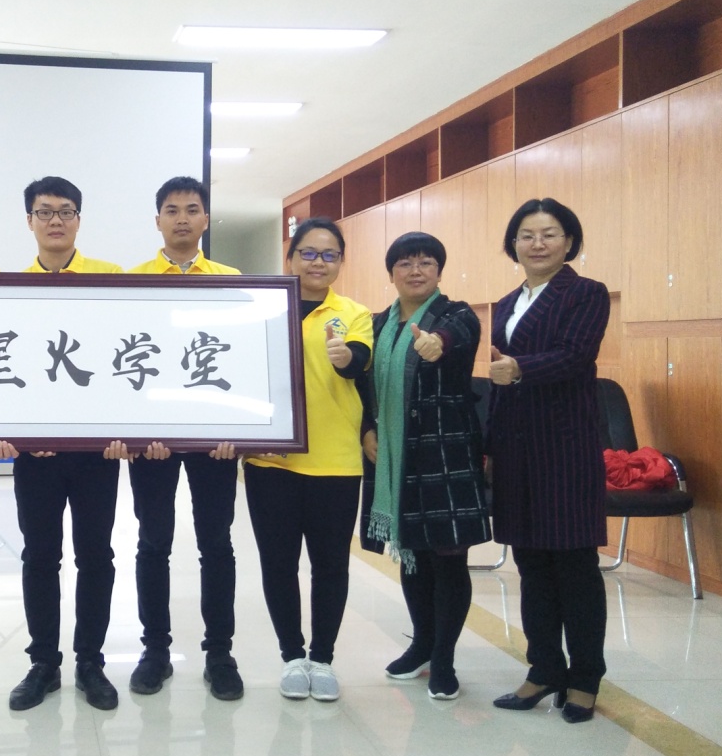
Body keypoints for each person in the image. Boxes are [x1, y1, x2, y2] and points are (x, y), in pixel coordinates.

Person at [0, 176, 126, 711]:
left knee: (96, 555)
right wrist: (14, 432)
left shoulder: (111, 280)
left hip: (97, 453)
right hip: (36, 455)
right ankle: (43, 663)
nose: (55, 221)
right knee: (40, 556)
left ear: (78, 220)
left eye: (65, 211)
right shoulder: (9, 288)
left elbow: (124, 359)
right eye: (44, 212)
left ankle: (90, 662)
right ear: (29, 221)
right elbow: (4, 367)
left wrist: (124, 431)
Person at [487, 198, 610, 724]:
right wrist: (490, 445)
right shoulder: (504, 303)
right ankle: (543, 669)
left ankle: (584, 678)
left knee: (575, 567)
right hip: (516, 452)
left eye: (550, 234)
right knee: (532, 565)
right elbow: (498, 380)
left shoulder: (586, 293)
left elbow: (576, 355)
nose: (537, 244)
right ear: (513, 244)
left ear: (569, 241)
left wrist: (519, 368)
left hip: (566, 449)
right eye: (527, 235)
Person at [124, 176, 243, 701]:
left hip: (214, 436)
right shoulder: (131, 282)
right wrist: (133, 430)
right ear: (157, 221)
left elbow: (240, 362)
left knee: (217, 543)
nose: (181, 219)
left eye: (192, 209)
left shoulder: (233, 282)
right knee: (153, 542)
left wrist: (236, 433)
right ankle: (155, 651)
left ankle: (220, 654)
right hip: (152, 435)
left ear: (206, 220)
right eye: (171, 210)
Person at [244, 217, 372, 702]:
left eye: (330, 255)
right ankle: (292, 656)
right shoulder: (260, 309)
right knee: (278, 563)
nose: (319, 262)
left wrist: (346, 358)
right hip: (269, 462)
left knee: (330, 565)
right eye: (309, 253)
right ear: (291, 257)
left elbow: (359, 361)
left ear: (341, 262)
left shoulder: (354, 313)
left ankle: (322, 657)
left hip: (335, 461)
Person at [359, 232, 491, 701]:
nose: (415, 271)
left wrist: (436, 343)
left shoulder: (457, 315)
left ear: (439, 271)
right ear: (391, 272)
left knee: (448, 557)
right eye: (405, 263)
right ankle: (421, 645)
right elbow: (364, 387)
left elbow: (455, 339)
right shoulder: (378, 324)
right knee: (413, 552)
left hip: (442, 454)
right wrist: (367, 429)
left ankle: (444, 658)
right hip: (395, 455)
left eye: (426, 263)